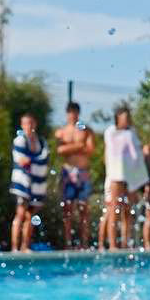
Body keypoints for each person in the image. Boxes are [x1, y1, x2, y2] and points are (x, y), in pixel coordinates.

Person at [101, 105, 145, 252]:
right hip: (116, 176)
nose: (126, 120)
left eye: (128, 117)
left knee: (127, 210)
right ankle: (112, 245)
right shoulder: (111, 132)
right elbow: (115, 151)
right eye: (124, 117)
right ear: (117, 118)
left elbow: (136, 153)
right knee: (114, 210)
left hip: (130, 176)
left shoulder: (131, 133)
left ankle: (126, 243)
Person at [54, 102, 95, 249]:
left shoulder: (86, 130)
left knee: (84, 209)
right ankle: (68, 243)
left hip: (83, 172)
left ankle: (84, 243)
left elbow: (90, 149)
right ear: (67, 114)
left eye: (75, 113)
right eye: (70, 113)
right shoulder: (61, 132)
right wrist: (79, 146)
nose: (73, 116)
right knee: (67, 209)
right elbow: (59, 150)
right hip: (67, 172)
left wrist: (70, 148)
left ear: (78, 113)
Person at [9, 112, 49, 253]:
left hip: (36, 185)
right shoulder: (19, 140)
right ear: (22, 125)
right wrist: (36, 160)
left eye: (31, 123)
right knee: (20, 213)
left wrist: (32, 160)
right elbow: (22, 160)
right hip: (22, 184)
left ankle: (25, 246)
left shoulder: (41, 142)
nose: (29, 126)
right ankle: (14, 248)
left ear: (35, 124)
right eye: (26, 123)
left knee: (30, 216)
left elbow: (43, 160)